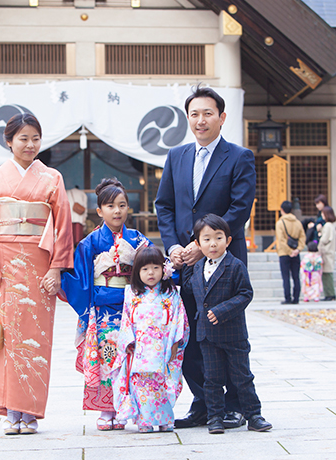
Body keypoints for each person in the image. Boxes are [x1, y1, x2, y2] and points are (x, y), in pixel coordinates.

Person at [0, 113, 73, 435]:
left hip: (39, 265)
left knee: (36, 339)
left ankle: (31, 413)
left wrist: (56, 268)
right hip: (3, 266)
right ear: (9, 141)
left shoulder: (52, 178)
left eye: (36, 138)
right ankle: (10, 412)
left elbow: (62, 226)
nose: (30, 144)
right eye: (23, 138)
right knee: (6, 340)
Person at [156, 85, 256, 430]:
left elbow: (239, 209)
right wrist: (173, 248)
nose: (200, 120)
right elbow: (164, 206)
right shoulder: (176, 156)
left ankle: (235, 405)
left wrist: (205, 244)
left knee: (225, 334)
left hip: (222, 263)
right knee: (191, 335)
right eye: (194, 114)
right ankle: (204, 402)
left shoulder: (239, 157)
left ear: (222, 117)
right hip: (184, 264)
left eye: (207, 113)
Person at [61, 178, 151, 431]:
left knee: (134, 357)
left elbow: (155, 264)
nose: (117, 211)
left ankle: (134, 408)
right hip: (103, 313)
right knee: (108, 358)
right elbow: (78, 276)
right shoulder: (90, 242)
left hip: (133, 309)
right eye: (111, 206)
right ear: (99, 211)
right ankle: (107, 409)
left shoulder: (137, 239)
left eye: (122, 205)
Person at [186, 214, 271, 434]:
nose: (212, 243)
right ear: (198, 244)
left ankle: (254, 415)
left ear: (228, 240)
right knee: (212, 379)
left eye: (218, 237)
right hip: (207, 336)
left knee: (242, 377)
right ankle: (215, 417)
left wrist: (222, 311)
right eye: (206, 239)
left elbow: (245, 294)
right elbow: (190, 290)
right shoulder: (197, 268)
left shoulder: (235, 266)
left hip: (233, 334)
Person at [111, 246, 189, 433]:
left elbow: (180, 320)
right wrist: (128, 343)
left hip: (165, 346)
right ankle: (144, 420)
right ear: (137, 272)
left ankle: (165, 419)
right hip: (140, 349)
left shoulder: (172, 294)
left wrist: (176, 344)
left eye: (155, 267)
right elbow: (126, 320)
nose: (151, 273)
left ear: (164, 269)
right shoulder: (132, 294)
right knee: (141, 383)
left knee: (165, 382)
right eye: (145, 269)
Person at [276, 200, 306, 305]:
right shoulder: (297, 222)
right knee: (296, 276)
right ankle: (296, 298)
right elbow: (303, 237)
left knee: (286, 277)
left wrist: (289, 251)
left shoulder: (280, 223)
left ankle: (287, 298)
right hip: (296, 253)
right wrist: (297, 250)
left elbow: (281, 240)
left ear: (282, 210)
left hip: (284, 253)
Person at [318, 206, 336, 301]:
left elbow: (324, 239)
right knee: (327, 274)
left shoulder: (327, 226)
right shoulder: (331, 226)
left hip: (327, 252)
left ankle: (330, 294)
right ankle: (330, 294)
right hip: (330, 252)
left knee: (327, 275)